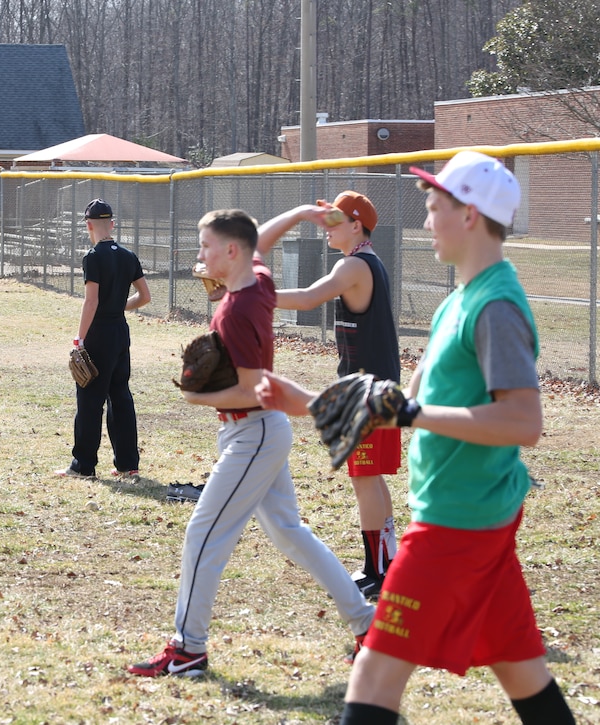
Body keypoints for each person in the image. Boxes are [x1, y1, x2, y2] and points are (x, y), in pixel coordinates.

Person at [255, 151, 575, 724]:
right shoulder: (459, 300)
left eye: (433, 208)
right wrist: (303, 403)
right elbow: (389, 405)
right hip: (475, 515)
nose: (426, 221)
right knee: (522, 670)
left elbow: (524, 423)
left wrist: (414, 414)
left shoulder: (495, 306)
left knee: (374, 672)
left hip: (459, 522)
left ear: (470, 215)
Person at [126, 209, 374, 678]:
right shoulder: (256, 281)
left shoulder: (239, 309)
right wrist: (303, 212)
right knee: (289, 533)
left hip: (253, 432)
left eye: (206, 247)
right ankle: (367, 625)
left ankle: (188, 649)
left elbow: (253, 387)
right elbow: (261, 240)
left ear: (231, 252)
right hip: (261, 430)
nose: (200, 256)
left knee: (204, 533)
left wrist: (198, 397)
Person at [256, 191, 401, 599]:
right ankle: (385, 564)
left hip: (367, 391)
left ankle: (378, 570)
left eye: (335, 220)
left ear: (357, 226)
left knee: (365, 480)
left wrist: (249, 294)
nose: (327, 227)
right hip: (377, 385)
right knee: (371, 480)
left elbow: (307, 299)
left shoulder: (354, 264)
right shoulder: (368, 261)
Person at [56, 199, 151, 480]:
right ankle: (127, 464)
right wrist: (119, 306)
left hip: (99, 333)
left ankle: (83, 466)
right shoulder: (127, 255)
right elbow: (145, 297)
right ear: (111, 224)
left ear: (88, 225)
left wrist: (80, 338)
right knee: (120, 395)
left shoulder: (93, 256)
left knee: (90, 400)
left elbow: (91, 301)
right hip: (120, 332)